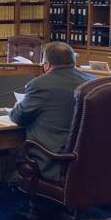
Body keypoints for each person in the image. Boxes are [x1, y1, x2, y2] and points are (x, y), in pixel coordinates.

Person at [10, 42, 94, 181]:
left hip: (53, 160)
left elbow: (19, 117)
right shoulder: (91, 82)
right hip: (86, 159)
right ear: (73, 60)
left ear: (47, 64)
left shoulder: (39, 84)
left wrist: (17, 106)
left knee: (15, 152)